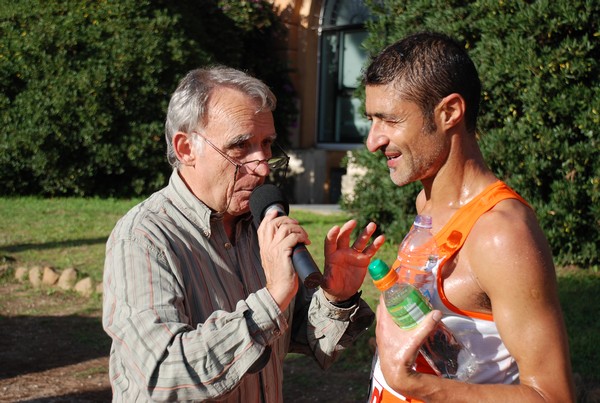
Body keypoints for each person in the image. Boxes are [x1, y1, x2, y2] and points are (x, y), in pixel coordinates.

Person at [102, 65, 384, 402]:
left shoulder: (258, 225)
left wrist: (336, 297)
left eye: (266, 145)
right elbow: (162, 374)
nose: (262, 166)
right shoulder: (144, 239)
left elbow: (299, 336)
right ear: (185, 148)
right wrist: (272, 297)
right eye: (240, 147)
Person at [363, 32, 575, 402]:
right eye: (371, 120)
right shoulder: (424, 203)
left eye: (389, 120)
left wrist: (416, 385)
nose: (373, 141)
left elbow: (553, 395)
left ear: (449, 113)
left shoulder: (501, 234)